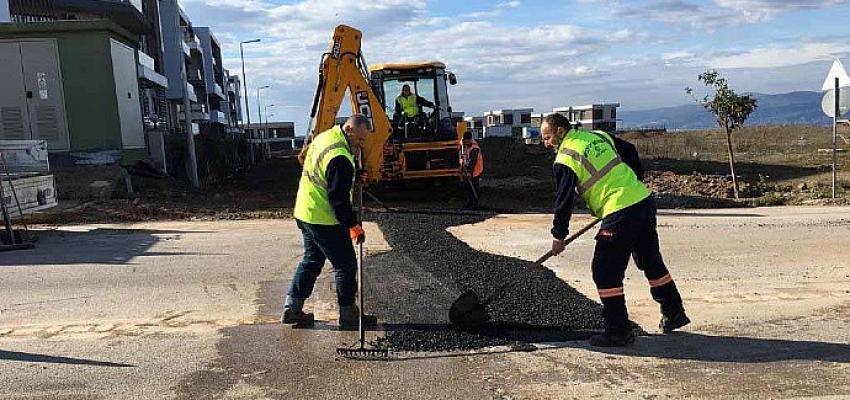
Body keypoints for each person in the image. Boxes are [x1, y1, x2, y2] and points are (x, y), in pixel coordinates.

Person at [540, 113, 689, 347]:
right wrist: (634, 181)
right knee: (650, 260)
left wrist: (559, 235)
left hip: (620, 210)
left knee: (605, 270)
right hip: (642, 201)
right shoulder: (596, 136)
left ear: (560, 131)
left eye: (547, 137)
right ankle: (674, 312)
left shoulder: (565, 157)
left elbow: (563, 200)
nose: (546, 143)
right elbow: (629, 150)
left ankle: (618, 330)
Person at [283, 114, 376, 328]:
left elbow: (326, 171)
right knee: (345, 264)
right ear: (350, 130)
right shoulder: (340, 156)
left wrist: (355, 173)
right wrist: (353, 225)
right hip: (324, 218)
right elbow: (338, 200)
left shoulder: (327, 137)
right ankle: (348, 315)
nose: (361, 144)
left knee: (312, 260)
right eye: (360, 140)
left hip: (305, 211)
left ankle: (292, 307)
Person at [460, 131, 484, 208]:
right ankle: (471, 202)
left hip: (476, 171)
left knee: (474, 187)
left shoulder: (474, 148)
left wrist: (470, 172)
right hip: (469, 170)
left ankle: (475, 202)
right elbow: (466, 158)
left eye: (466, 140)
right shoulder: (467, 146)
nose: (465, 142)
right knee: (467, 187)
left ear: (469, 139)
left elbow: (473, 162)